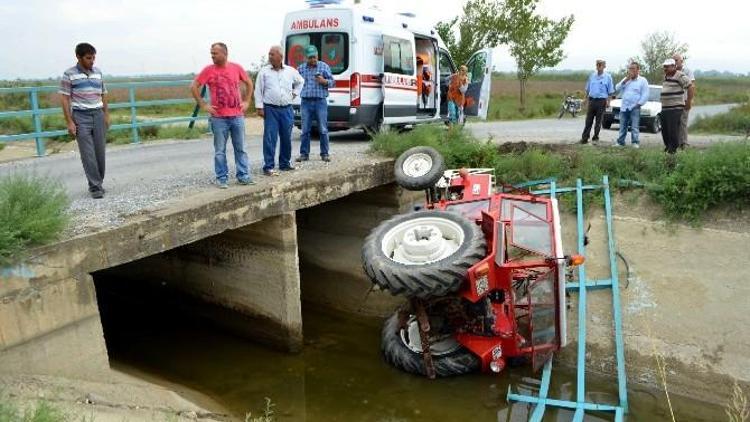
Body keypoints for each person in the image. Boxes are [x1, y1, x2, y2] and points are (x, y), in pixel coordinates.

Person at [191, 42, 254, 189]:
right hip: (219, 118)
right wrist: (203, 105)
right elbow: (194, 86)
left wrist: (247, 101)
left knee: (241, 148)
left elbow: (249, 83)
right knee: (220, 150)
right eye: (211, 53)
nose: (212, 56)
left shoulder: (236, 68)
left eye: (215, 53)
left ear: (225, 54)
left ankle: (243, 175)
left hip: (237, 116)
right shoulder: (208, 70)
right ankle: (221, 177)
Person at [59, 43, 110, 199]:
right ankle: (95, 187)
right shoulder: (69, 74)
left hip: (98, 114)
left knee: (100, 152)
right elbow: (64, 98)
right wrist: (69, 122)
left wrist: (106, 115)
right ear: (78, 57)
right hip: (81, 116)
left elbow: (104, 94)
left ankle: (98, 182)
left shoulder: (98, 73)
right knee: (88, 153)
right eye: (89, 58)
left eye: (94, 57)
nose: (92, 61)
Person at [254, 45, 304, 176]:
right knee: (270, 138)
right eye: (269, 54)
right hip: (271, 109)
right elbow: (258, 89)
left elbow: (301, 81)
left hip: (287, 109)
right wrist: (259, 107)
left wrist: (295, 93)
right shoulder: (264, 72)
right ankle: (268, 166)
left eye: (272, 54)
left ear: (280, 56)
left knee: (286, 137)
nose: (270, 57)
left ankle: (285, 164)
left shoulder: (290, 71)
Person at [296, 45, 334, 163]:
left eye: (315, 57)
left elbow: (333, 82)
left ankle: (325, 154)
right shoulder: (300, 69)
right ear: (306, 58)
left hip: (320, 102)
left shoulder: (324, 67)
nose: (313, 59)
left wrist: (324, 81)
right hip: (305, 102)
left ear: (317, 55)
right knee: (305, 129)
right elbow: (295, 83)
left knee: (323, 129)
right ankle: (304, 154)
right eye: (310, 57)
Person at [660, 58, 693, 154]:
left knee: (672, 129)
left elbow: (690, 86)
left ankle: (673, 149)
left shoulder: (680, 75)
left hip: (675, 107)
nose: (665, 68)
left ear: (674, 66)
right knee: (664, 129)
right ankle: (668, 147)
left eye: (667, 67)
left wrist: (689, 101)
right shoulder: (666, 76)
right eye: (664, 67)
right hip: (665, 107)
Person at [614, 62, 650, 148]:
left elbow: (645, 94)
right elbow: (617, 88)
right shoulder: (626, 80)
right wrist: (626, 79)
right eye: (630, 68)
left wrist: (639, 104)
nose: (631, 70)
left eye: (633, 69)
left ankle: (635, 142)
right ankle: (620, 142)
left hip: (635, 107)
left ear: (638, 70)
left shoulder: (643, 81)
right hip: (624, 106)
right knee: (622, 126)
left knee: (634, 126)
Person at [580, 59, 614, 144]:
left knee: (598, 121)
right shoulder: (592, 76)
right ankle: (585, 138)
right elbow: (587, 89)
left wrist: (608, 102)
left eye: (600, 65)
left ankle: (595, 137)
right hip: (592, 100)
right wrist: (585, 99)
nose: (598, 66)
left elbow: (610, 91)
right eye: (597, 65)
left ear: (604, 66)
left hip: (601, 101)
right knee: (588, 120)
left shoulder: (608, 77)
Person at [673, 53, 696, 148]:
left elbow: (692, 86)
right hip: (674, 101)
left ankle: (684, 143)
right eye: (673, 60)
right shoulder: (671, 71)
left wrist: (689, 101)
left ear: (681, 61)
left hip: (684, 100)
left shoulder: (687, 71)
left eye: (676, 60)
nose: (674, 62)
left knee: (683, 122)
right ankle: (677, 143)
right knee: (675, 122)